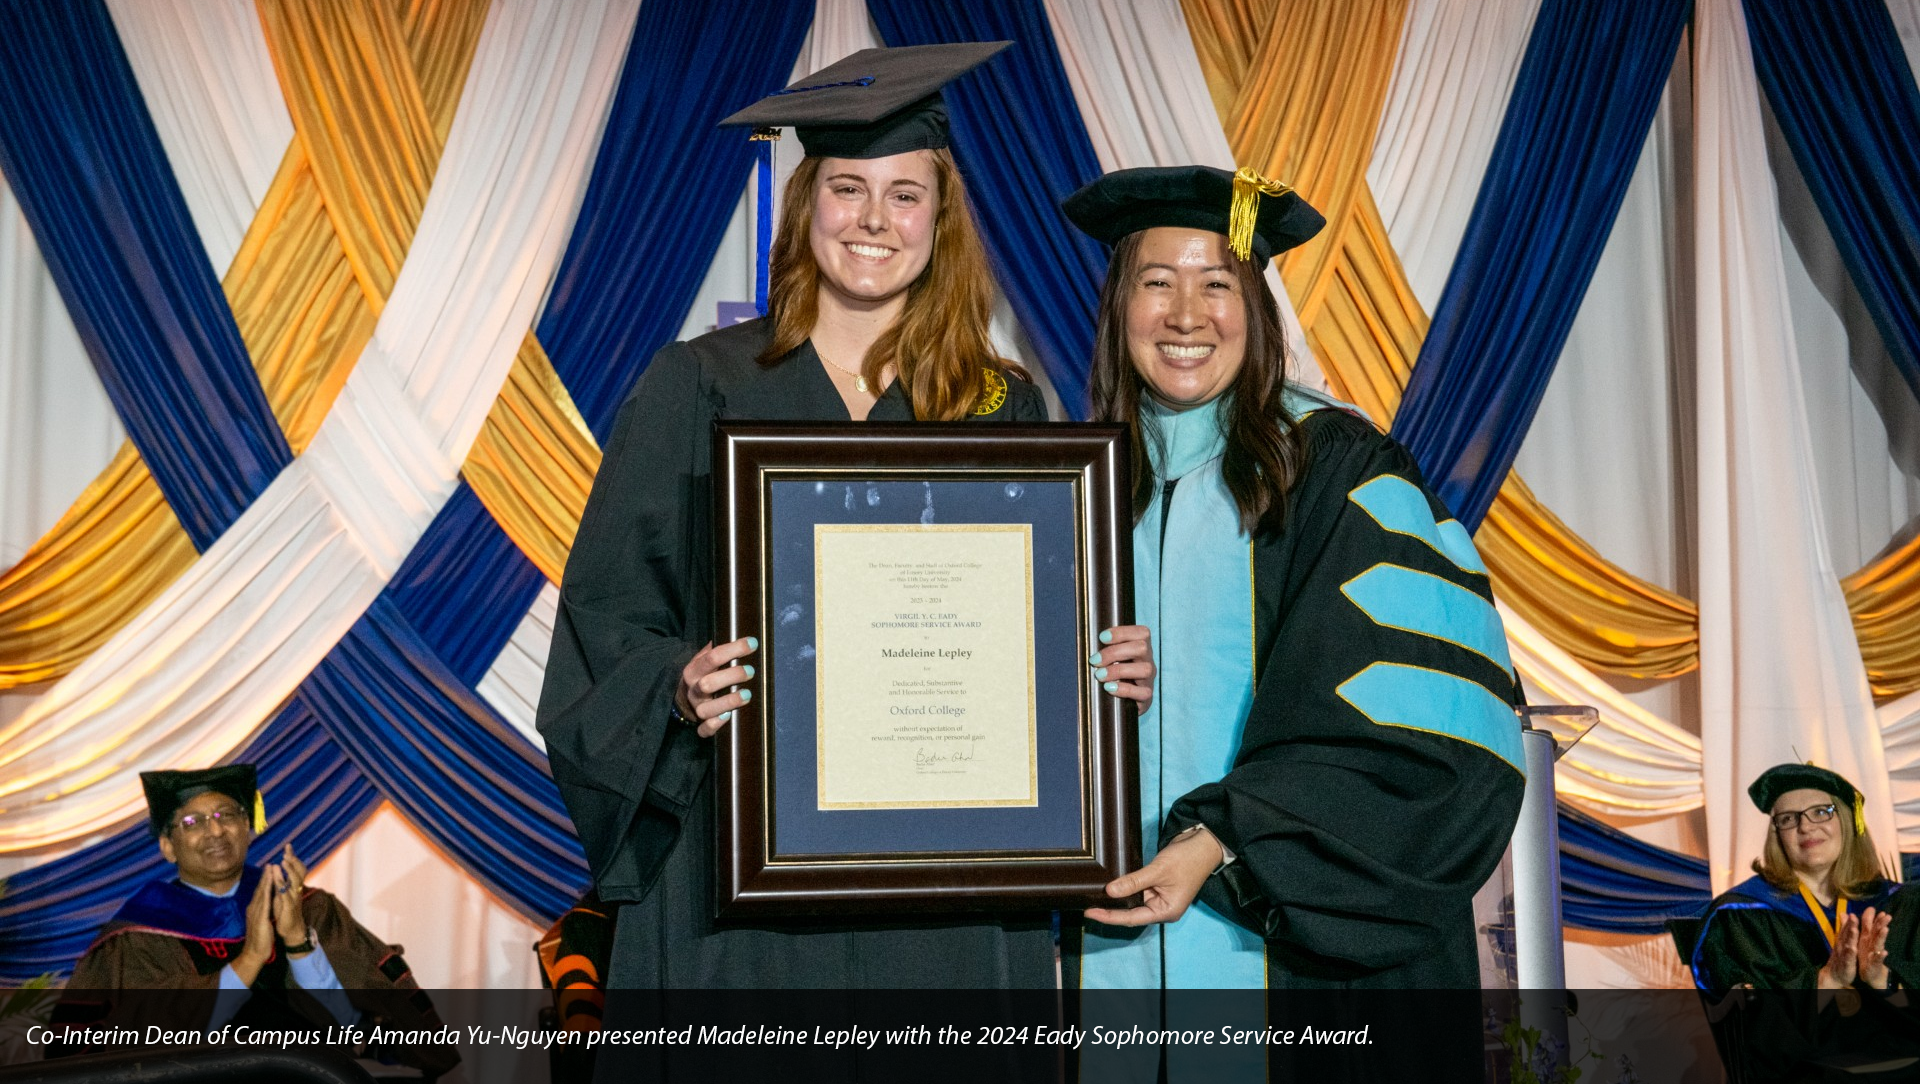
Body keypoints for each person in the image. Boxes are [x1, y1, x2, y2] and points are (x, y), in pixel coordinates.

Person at [535, 43, 1153, 995]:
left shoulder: (1000, 408)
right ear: (807, 205)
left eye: (906, 194)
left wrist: (1098, 668)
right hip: (739, 870)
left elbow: (1031, 647)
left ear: (941, 220)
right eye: (848, 188)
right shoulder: (697, 387)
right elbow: (606, 617)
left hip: (947, 878)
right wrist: (676, 682)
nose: (874, 220)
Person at [1058, 165, 1526, 1078]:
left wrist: (1226, 837)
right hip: (1113, 948)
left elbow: (1423, 737)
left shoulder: (1343, 470)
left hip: (1300, 967)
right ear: (1120, 308)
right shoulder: (1075, 487)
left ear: (1256, 309)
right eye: (1157, 282)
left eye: (1216, 285)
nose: (1186, 315)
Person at [58, 765, 456, 1074]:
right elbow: (136, 1049)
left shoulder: (312, 908)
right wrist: (249, 958)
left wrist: (298, 942)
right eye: (192, 822)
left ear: (248, 828)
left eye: (226, 814)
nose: (215, 830)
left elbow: (355, 1031)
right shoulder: (136, 938)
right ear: (167, 847)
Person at [1684, 763, 1920, 1078]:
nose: (1805, 827)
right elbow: (1751, 1035)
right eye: (1787, 819)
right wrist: (1825, 981)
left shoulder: (1901, 906)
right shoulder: (1740, 918)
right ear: (1776, 834)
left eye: (1821, 811)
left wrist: (1884, 980)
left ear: (1848, 821)